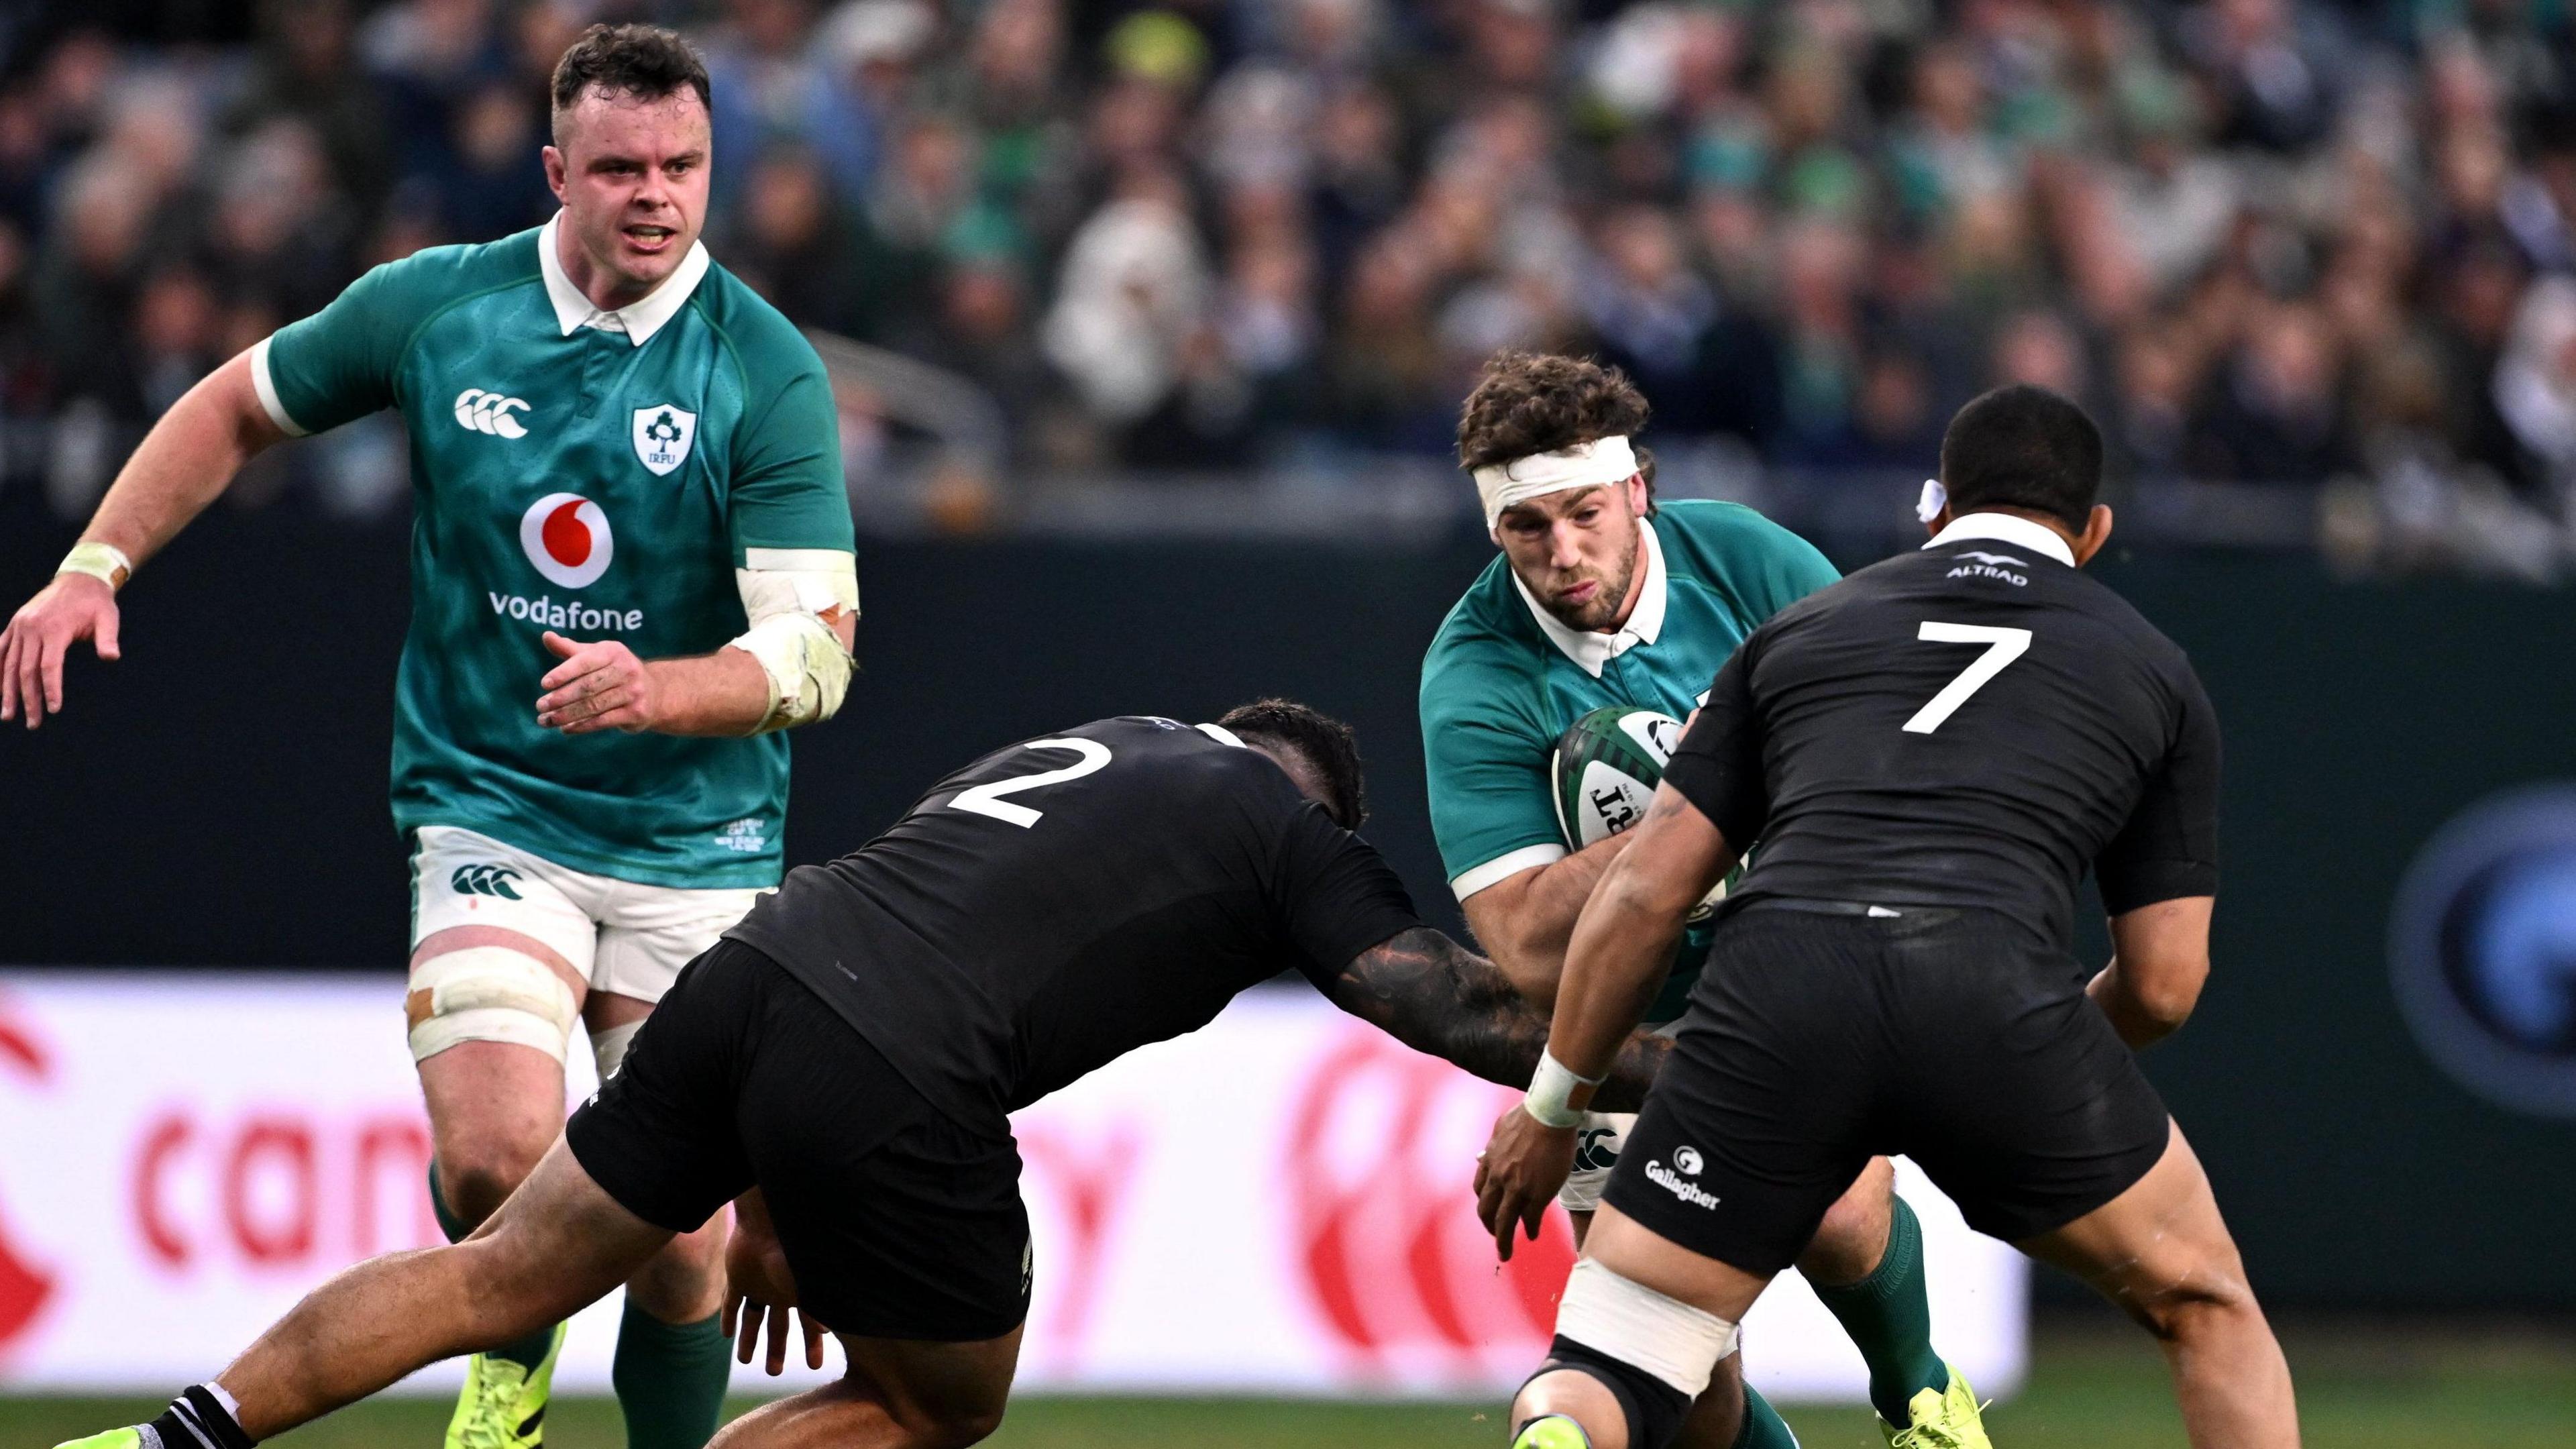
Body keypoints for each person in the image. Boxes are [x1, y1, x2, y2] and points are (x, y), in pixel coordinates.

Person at [1, 26, 858, 1449]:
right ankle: (510, 1368)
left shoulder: (765, 373)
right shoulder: (444, 309)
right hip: (494, 804)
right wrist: (95, 567)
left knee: (686, 1244)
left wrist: (664, 686)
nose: (657, 194)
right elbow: (233, 409)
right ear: (555, 172)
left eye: (685, 165)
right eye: (622, 167)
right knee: (495, 1162)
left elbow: (815, 653)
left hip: (695, 847)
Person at [52, 702, 1675, 1449]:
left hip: (757, 971)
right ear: (1320, 811)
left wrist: (761, 1192)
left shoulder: (1096, 741)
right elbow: (1452, 1011)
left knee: (497, 1279)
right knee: (935, 1406)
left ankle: (178, 1437)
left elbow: (866, 929)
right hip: (901, 1065)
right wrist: (1708, 1058)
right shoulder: (1282, 835)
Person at [1476, 386, 2300, 1449]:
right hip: (1993, 990)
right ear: (2095, 532)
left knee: (1616, 1360)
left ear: (1934, 511)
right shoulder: (2154, 670)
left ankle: (1566, 1434)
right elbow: (2163, 984)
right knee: (2208, 1308)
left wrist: (1552, 1110)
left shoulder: (1801, 631)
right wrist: (2017, 1075)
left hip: (1774, 996)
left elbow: (1644, 896)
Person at [1420, 351, 1984, 1446]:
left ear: (1637, 486)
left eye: (1584, 512)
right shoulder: (1473, 672)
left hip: (1793, 964)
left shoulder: (1744, 558)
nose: (1563, 553)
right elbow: (1530, 944)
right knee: (1687, 1398)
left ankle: (1920, 1394)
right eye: (1525, 528)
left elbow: (1888, 745)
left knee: (1838, 1211)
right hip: (1610, 1023)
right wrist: (1707, 813)